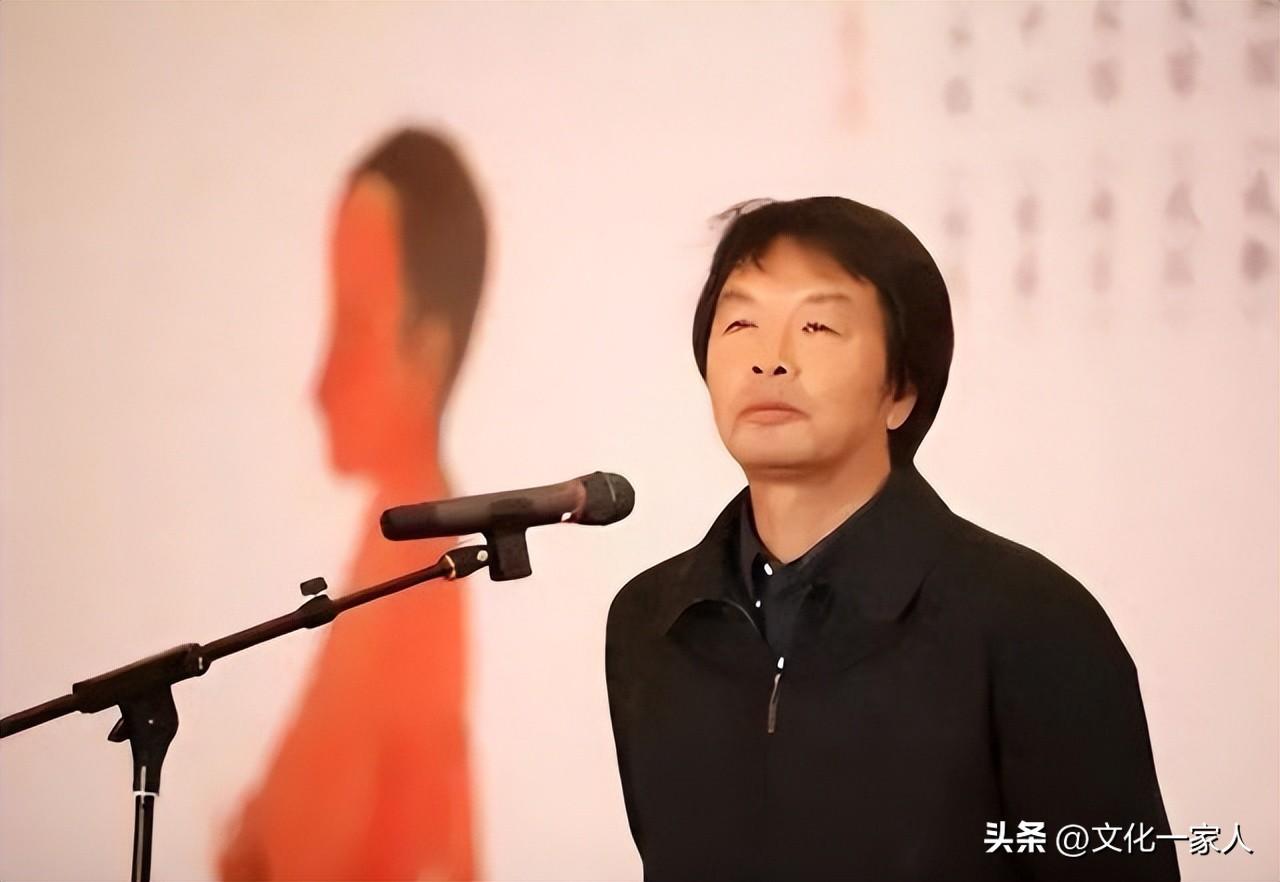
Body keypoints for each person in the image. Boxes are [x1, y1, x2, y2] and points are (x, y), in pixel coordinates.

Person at [604, 197, 1180, 881]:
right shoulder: (651, 622)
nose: (769, 361)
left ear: (901, 389)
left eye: (817, 326)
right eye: (740, 323)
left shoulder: (1031, 621)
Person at [218, 128, 486, 880]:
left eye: (353, 327)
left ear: (426, 353)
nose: (319, 385)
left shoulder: (417, 568)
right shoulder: (394, 549)